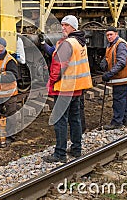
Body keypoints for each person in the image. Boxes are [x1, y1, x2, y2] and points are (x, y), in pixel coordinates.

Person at [42, 15, 93, 163]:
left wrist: (51, 83)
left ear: (73, 27)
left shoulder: (68, 43)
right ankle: (76, 149)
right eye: (62, 24)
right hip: (76, 88)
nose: (62, 27)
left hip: (64, 89)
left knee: (60, 121)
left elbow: (58, 66)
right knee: (75, 119)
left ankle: (60, 153)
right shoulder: (80, 42)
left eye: (66, 25)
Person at [39, 33, 87, 133]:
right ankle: (78, 138)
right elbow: (51, 50)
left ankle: (62, 146)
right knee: (75, 115)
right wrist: (43, 43)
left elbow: (58, 69)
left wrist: (51, 82)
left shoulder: (67, 46)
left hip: (67, 86)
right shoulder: (70, 44)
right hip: (76, 85)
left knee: (64, 117)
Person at [100, 26, 127, 130]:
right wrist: (104, 61)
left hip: (122, 78)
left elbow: (121, 62)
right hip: (120, 78)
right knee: (122, 99)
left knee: (118, 100)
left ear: (116, 34)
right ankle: (124, 119)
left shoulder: (120, 44)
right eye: (107, 35)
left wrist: (109, 74)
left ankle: (117, 122)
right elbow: (110, 57)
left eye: (111, 35)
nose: (109, 37)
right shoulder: (111, 45)